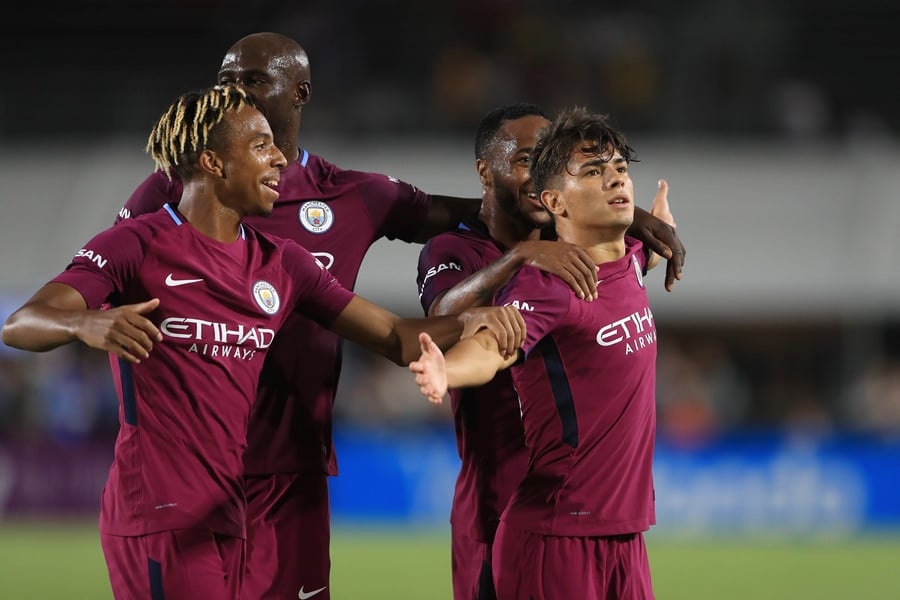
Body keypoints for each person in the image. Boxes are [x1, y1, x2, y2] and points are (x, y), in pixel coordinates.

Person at [117, 32, 686, 599]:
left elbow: (477, 221)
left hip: (293, 463)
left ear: (302, 92)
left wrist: (616, 211)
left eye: (253, 79)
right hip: (188, 466)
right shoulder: (171, 190)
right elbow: (106, 284)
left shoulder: (351, 195)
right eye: (228, 80)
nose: (235, 92)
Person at [1, 84, 523, 599]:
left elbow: (397, 337)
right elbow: (22, 322)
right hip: (159, 514)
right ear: (212, 161)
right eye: (259, 146)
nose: (278, 158)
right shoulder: (138, 243)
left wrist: (493, 316)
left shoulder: (283, 262)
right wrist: (82, 325)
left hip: (234, 510)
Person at [411, 107, 672, 599]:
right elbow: (492, 344)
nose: (616, 179)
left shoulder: (624, 260)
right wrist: (447, 368)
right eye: (595, 171)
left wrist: (655, 228)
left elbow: (636, 259)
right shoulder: (547, 279)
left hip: (622, 529)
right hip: (540, 517)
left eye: (619, 169)